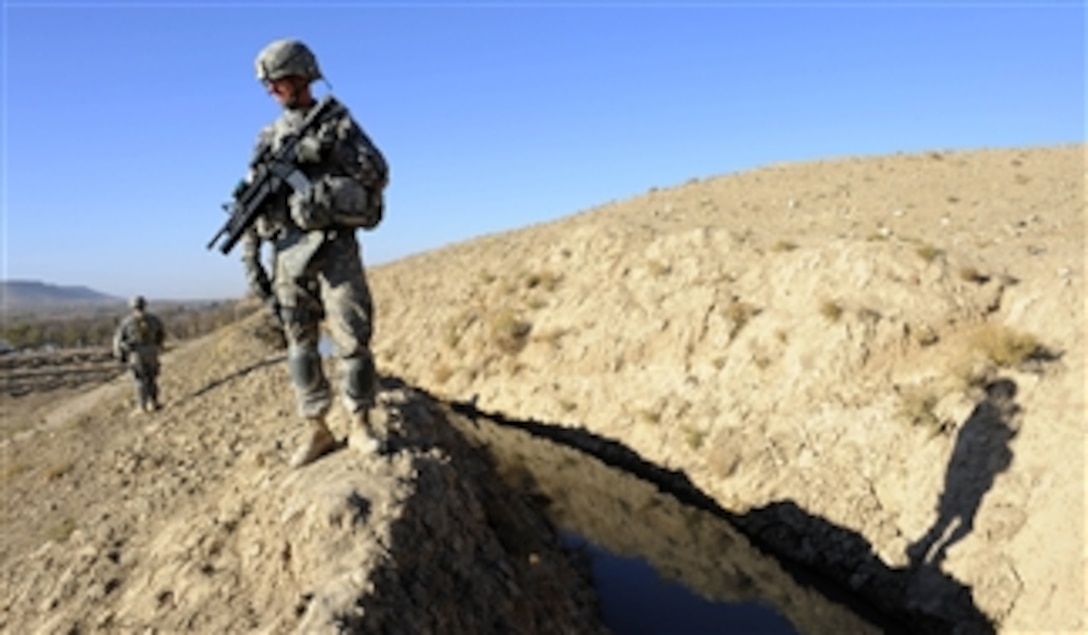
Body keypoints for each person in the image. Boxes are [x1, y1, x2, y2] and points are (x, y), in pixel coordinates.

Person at [238, 38, 389, 468]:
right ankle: (317, 429)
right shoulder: (267, 137)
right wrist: (254, 261)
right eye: (267, 84)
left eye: (277, 80)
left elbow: (378, 172)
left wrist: (323, 152)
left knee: (352, 341)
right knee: (300, 346)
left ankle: (360, 423)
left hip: (334, 248)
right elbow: (253, 201)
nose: (271, 90)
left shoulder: (336, 123)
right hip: (288, 254)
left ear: (302, 76)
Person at [113, 295, 166, 414]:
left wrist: (120, 355)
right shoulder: (154, 319)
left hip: (136, 353)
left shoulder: (126, 322)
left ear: (132, 307)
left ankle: (142, 406)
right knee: (152, 378)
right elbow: (161, 334)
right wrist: (157, 347)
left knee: (140, 380)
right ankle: (154, 402)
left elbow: (118, 340)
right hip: (152, 352)